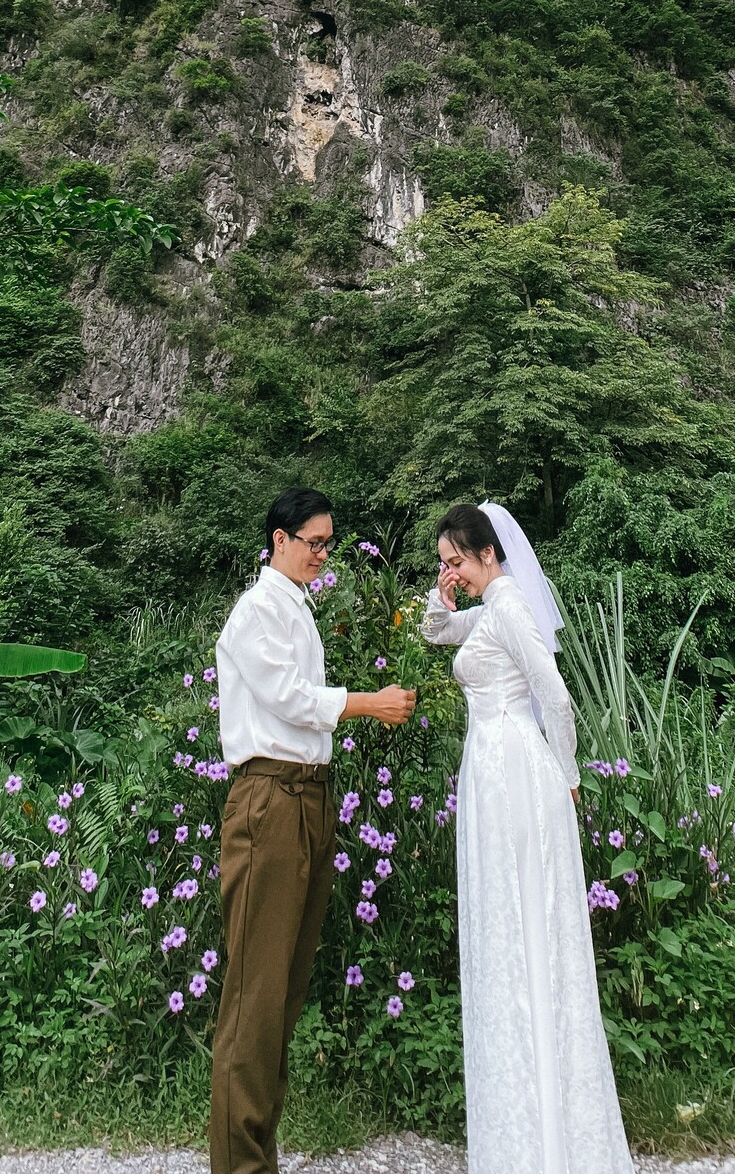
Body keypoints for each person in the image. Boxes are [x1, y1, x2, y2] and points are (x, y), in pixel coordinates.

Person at [422, 501, 634, 1174]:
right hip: (491, 770)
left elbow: (558, 698)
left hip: (515, 767)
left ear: (489, 553)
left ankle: (546, 1138)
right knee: (507, 925)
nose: (452, 571)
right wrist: (442, 592)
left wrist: (568, 777)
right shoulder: (489, 609)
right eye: (444, 562)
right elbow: (436, 632)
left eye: (457, 560)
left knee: (525, 925)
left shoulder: (510, 608)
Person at [210, 487, 416, 1174]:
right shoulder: (257, 611)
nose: (324, 554)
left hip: (307, 800)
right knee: (255, 999)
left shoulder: (296, 608)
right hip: (269, 801)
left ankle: (257, 1157)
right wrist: (369, 703)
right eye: (315, 543)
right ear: (280, 540)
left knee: (283, 993)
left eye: (329, 543)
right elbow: (289, 700)